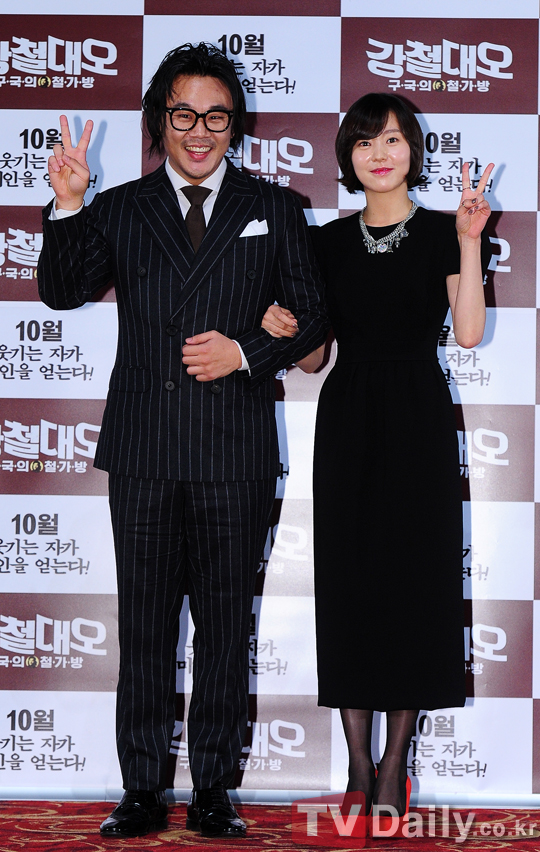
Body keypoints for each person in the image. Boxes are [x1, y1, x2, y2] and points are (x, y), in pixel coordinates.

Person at [37, 42, 327, 839]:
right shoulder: (120, 207)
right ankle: (140, 788)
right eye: (184, 114)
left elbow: (313, 317)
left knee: (227, 630)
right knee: (145, 628)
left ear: (236, 125)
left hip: (234, 449)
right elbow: (61, 292)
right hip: (143, 448)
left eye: (217, 117)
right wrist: (68, 204)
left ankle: (214, 791)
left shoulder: (275, 207)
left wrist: (246, 352)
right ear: (159, 120)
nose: (200, 132)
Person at [262, 92, 493, 823]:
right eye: (365, 142)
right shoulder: (326, 242)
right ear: (348, 158)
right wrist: (286, 328)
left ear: (413, 151)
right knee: (352, 582)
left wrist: (468, 240)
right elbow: (314, 360)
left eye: (392, 139)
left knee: (414, 585)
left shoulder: (444, 231)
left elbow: (468, 332)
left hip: (419, 415)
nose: (379, 153)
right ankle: (357, 763)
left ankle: (395, 763)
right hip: (349, 416)